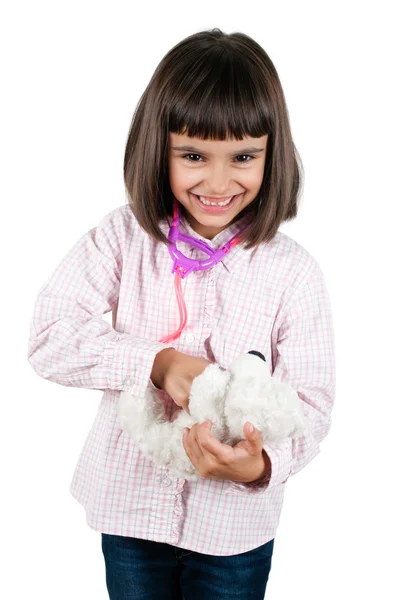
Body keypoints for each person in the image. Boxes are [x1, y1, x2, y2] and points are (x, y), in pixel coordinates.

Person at [27, 28, 336, 599]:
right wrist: (156, 362)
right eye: (193, 156)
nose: (218, 182)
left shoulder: (294, 273)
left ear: (272, 154)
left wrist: (260, 466)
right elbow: (50, 336)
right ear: (157, 149)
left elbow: (313, 404)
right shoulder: (121, 240)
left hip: (234, 532)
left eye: (243, 157)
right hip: (130, 515)